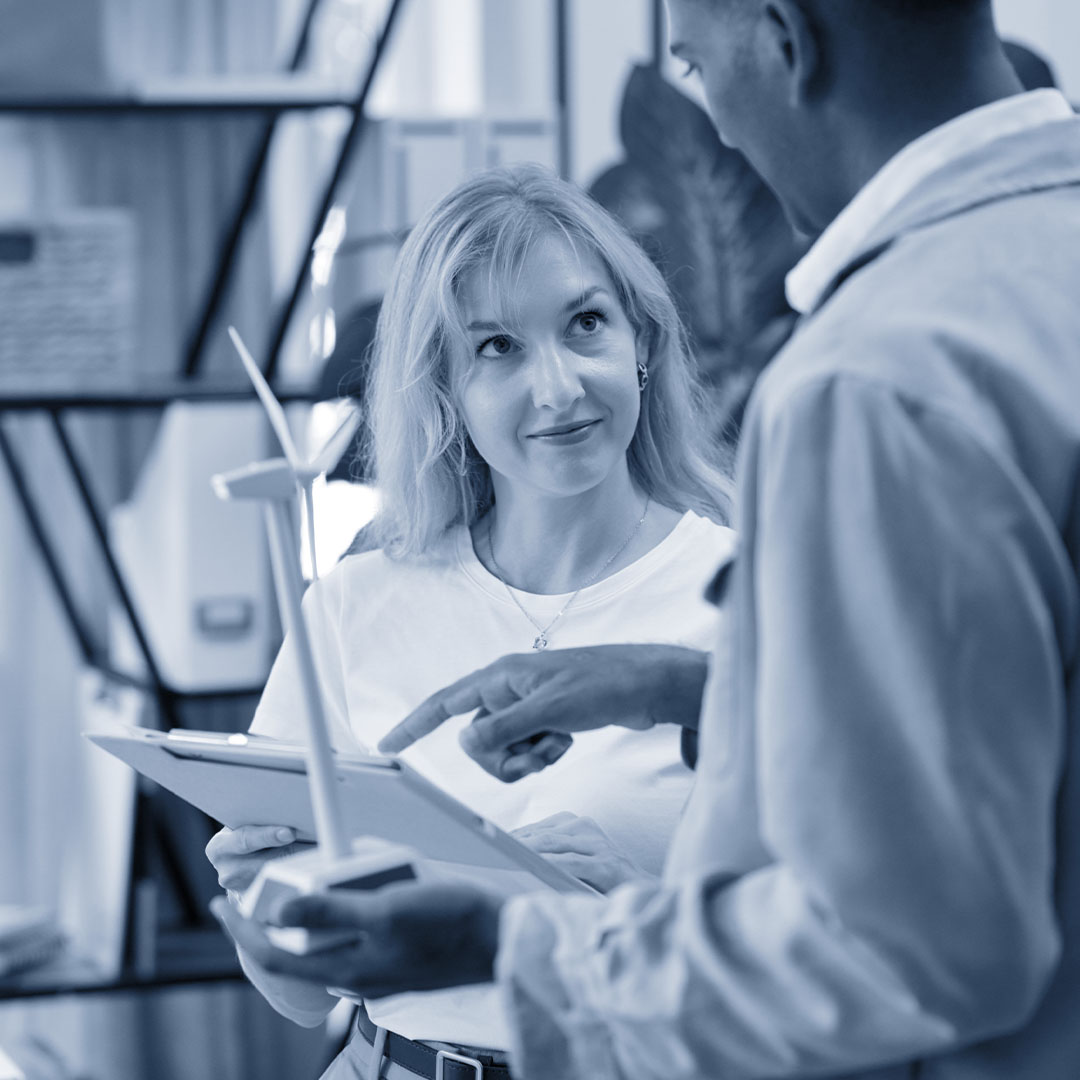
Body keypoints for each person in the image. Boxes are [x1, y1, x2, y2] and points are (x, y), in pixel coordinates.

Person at [215, 1, 1080, 1077]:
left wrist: (509, 935)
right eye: (493, 347)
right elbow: (1012, 714)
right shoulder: (1032, 275)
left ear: (784, 36)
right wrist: (689, 690)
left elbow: (915, 949)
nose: (715, 125)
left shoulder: (879, 375)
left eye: (696, 64)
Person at [207, 163, 735, 1074]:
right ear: (443, 387)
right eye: (497, 348)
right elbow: (301, 999)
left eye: (586, 325)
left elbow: (849, 941)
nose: (561, 388)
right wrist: (263, 915)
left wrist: (643, 912)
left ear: (641, 344)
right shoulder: (355, 602)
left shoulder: (746, 595)